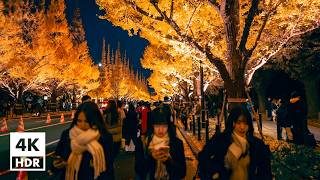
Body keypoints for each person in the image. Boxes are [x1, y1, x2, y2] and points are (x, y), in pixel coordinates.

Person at [198, 106, 272, 180]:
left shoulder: (257, 145)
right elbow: (203, 157)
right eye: (238, 123)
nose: (242, 127)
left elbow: (265, 172)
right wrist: (216, 172)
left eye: (245, 123)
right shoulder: (221, 140)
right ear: (232, 123)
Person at [53, 102, 114, 180]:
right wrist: (56, 164)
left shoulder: (104, 137)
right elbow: (58, 157)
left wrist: (95, 164)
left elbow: (109, 168)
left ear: (95, 120)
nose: (82, 125)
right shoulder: (67, 135)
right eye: (79, 121)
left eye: (87, 121)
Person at [135, 107, 186, 180]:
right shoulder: (143, 142)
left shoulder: (176, 143)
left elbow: (182, 172)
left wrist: (168, 161)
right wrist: (152, 157)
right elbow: (139, 170)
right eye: (157, 126)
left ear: (168, 126)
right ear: (152, 126)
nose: (161, 130)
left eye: (164, 126)